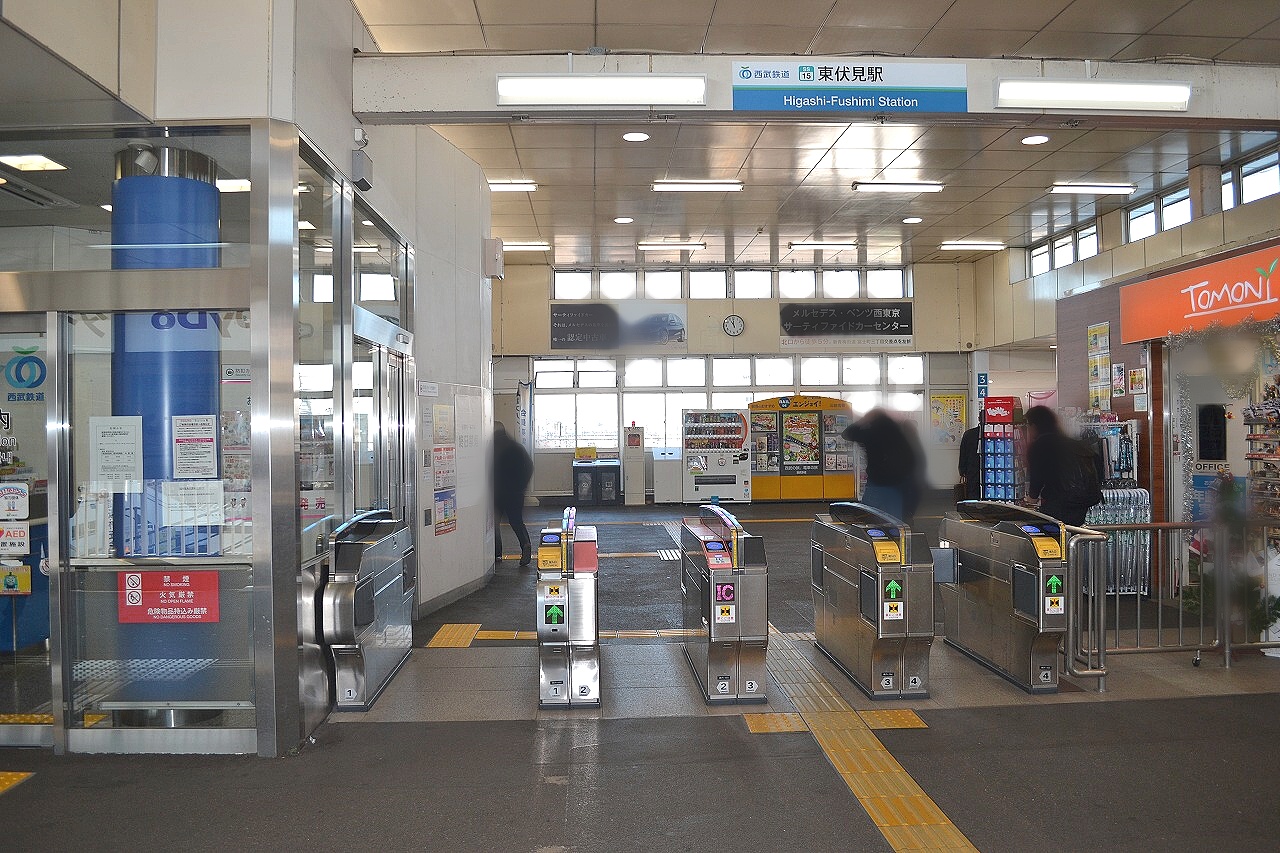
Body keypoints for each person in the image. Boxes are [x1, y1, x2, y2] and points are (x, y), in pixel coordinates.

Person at [1024, 406, 1101, 527]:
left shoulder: (1040, 445)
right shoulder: (1073, 443)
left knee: (1053, 537)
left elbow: (1036, 478)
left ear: (1034, 425)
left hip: (1058, 505)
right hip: (1081, 505)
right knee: (1072, 535)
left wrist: (1031, 500)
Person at [841, 408, 920, 523]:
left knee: (867, 517)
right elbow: (911, 459)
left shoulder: (871, 433)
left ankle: (873, 537)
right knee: (895, 521)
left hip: (876, 482)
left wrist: (863, 420)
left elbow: (847, 433)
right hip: (896, 485)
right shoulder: (899, 434)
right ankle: (898, 538)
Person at [492, 422, 534, 566]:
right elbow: (529, 467)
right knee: (516, 521)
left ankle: (497, 554)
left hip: (497, 493)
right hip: (515, 493)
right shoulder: (517, 447)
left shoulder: (492, 448)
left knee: (494, 523)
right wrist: (521, 486)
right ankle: (525, 544)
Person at [957, 425, 982, 501]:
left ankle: (972, 509)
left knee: (972, 490)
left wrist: (962, 470)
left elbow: (963, 453)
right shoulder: (991, 434)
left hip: (972, 468)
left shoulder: (969, 434)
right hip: (989, 467)